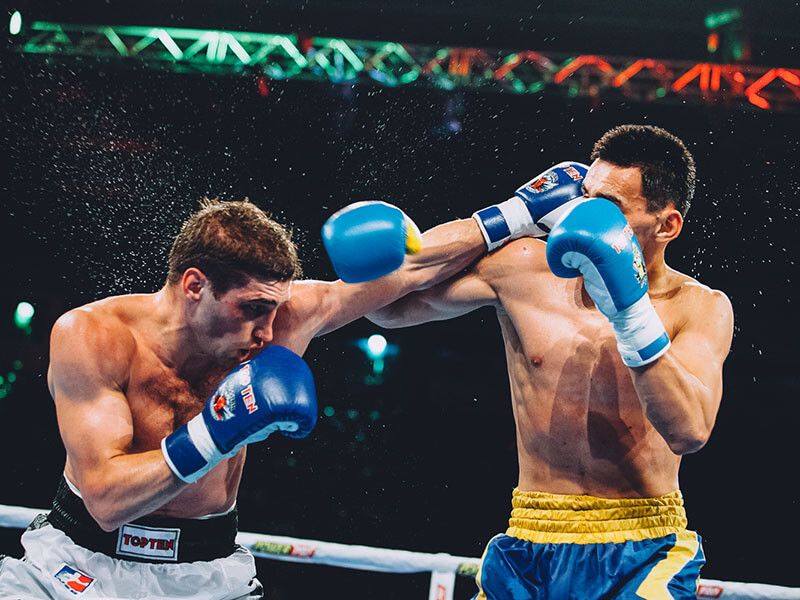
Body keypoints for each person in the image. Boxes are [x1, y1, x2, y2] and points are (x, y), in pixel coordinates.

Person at [0, 197, 496, 599]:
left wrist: (518, 213)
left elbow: (412, 268)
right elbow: (106, 500)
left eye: (274, 309)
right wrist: (216, 430)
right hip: (75, 566)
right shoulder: (94, 335)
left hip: (206, 575)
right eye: (252, 309)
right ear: (195, 285)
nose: (265, 332)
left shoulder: (284, 319)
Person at [368, 125, 734, 599]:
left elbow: (689, 431)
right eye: (585, 196)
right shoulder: (523, 267)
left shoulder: (698, 306)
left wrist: (631, 313)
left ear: (666, 225)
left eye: (609, 207)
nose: (585, 214)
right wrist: (507, 217)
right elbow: (384, 303)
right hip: (527, 546)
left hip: (642, 552)